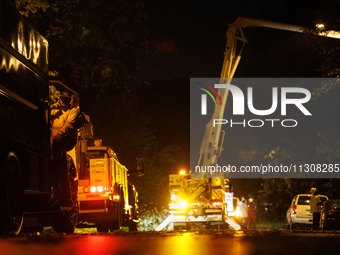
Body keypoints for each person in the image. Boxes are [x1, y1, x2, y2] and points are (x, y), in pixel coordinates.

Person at [50, 92, 79, 206]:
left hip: (65, 141)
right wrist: (51, 107)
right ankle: (65, 196)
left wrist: (57, 136)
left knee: (58, 164)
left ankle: (54, 178)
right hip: (54, 142)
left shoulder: (73, 111)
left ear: (69, 100)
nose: (64, 101)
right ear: (59, 100)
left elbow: (68, 126)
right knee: (63, 170)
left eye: (66, 99)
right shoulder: (54, 111)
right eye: (62, 99)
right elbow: (44, 116)